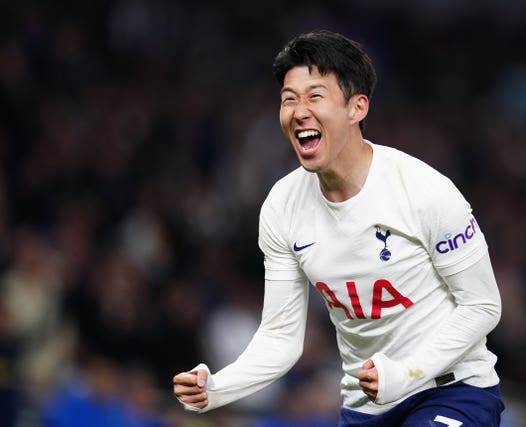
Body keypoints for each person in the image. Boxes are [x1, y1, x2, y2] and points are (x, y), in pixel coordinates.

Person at [173, 29, 505, 426]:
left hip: (454, 391)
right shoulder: (282, 207)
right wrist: (217, 389)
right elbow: (281, 338)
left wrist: (408, 373)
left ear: (357, 108)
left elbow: (482, 305)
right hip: (366, 405)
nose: (299, 111)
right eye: (289, 100)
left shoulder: (425, 191)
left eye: (315, 96)